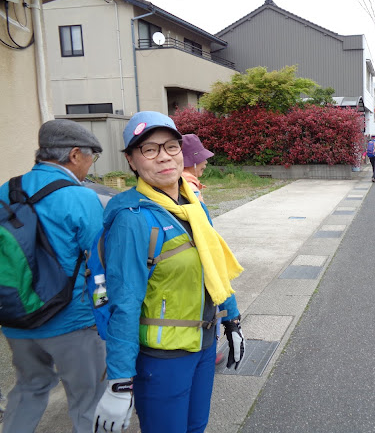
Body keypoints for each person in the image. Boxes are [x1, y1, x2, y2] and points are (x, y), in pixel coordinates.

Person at [93, 111, 244, 433]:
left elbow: (212, 267)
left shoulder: (193, 205)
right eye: (149, 149)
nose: (164, 157)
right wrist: (120, 380)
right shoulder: (131, 219)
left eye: (171, 147)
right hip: (162, 357)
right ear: (132, 161)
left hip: (203, 342)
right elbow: (125, 303)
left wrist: (231, 318)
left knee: (196, 428)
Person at [0, 119, 106, 432]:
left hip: (16, 317)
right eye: (91, 157)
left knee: (30, 387)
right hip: (72, 322)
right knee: (89, 401)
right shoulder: (81, 197)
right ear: (75, 155)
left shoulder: (7, 189)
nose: (90, 165)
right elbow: (103, 263)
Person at [181, 133, 227, 366]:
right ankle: (212, 346)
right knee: (212, 296)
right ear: (192, 160)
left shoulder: (181, 181)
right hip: (199, 250)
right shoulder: (190, 186)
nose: (206, 162)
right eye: (203, 158)